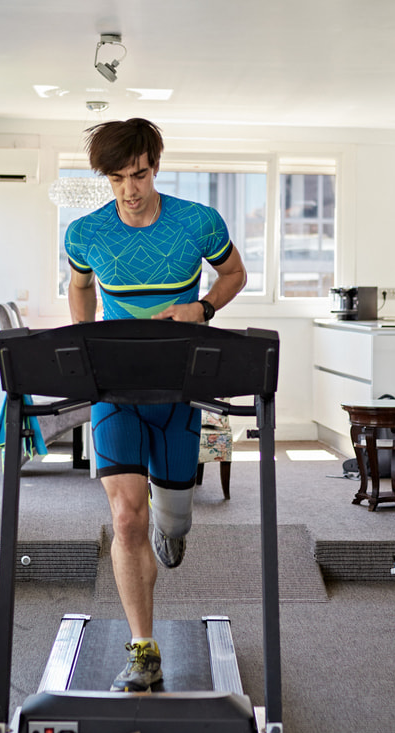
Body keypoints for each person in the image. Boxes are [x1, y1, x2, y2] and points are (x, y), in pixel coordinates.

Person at [64, 118, 247, 692]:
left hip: (177, 391)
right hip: (116, 392)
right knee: (126, 517)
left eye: (138, 175)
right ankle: (143, 650)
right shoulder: (85, 233)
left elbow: (235, 273)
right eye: (117, 179)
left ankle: (174, 526)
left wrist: (203, 308)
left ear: (156, 167)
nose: (129, 190)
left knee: (172, 518)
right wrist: (85, 345)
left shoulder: (198, 222)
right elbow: (79, 285)